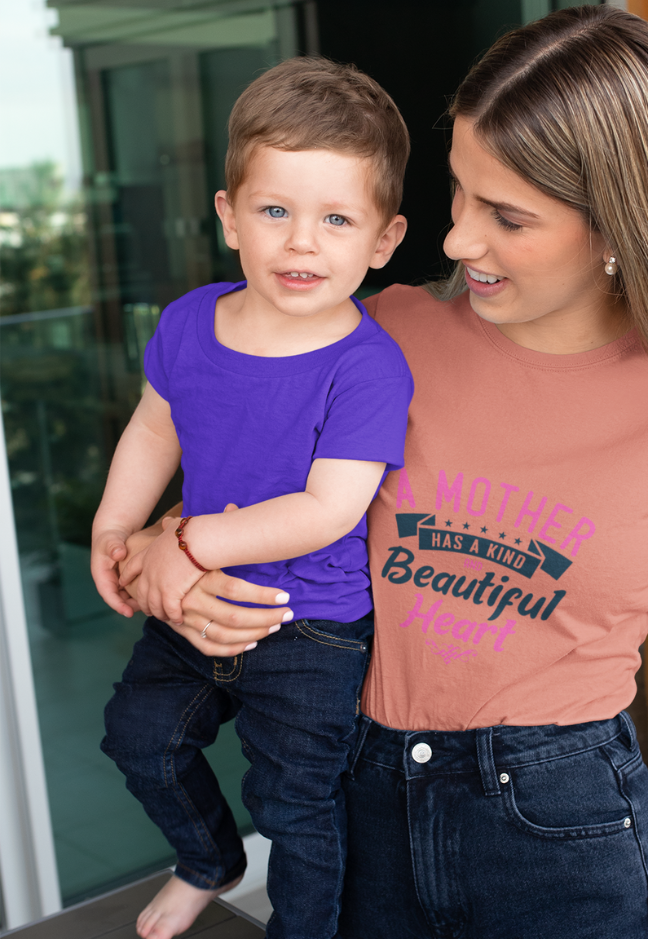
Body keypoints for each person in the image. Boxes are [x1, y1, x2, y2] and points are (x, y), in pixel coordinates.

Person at [112, 7, 648, 938]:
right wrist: (172, 559)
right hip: (358, 798)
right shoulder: (377, 337)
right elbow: (236, 478)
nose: (454, 242)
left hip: (560, 827)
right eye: (458, 193)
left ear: (621, 226)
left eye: (507, 216)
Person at [89, 56, 412, 939]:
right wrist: (117, 525)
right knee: (139, 737)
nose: (301, 242)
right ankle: (208, 860)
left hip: (309, 624)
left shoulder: (368, 366)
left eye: (336, 219)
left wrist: (185, 545)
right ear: (230, 216)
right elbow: (157, 428)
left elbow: (328, 508)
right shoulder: (191, 320)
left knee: (298, 806)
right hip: (190, 609)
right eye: (275, 210)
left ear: (382, 241)